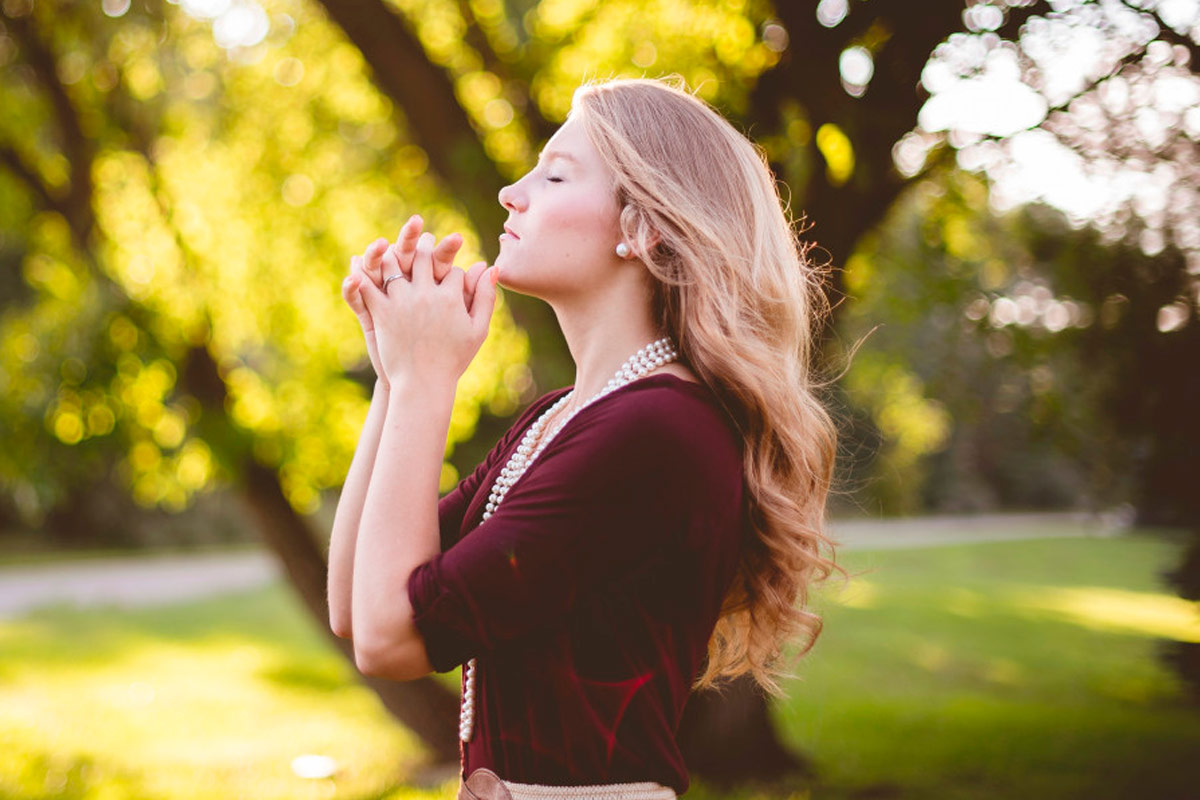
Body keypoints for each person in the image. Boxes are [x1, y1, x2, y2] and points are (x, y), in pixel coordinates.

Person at [326, 77, 843, 799]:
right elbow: (356, 607)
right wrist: (395, 372)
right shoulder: (562, 418)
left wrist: (427, 382)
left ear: (644, 228)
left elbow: (392, 642)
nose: (513, 190)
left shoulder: (655, 434)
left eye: (555, 173)